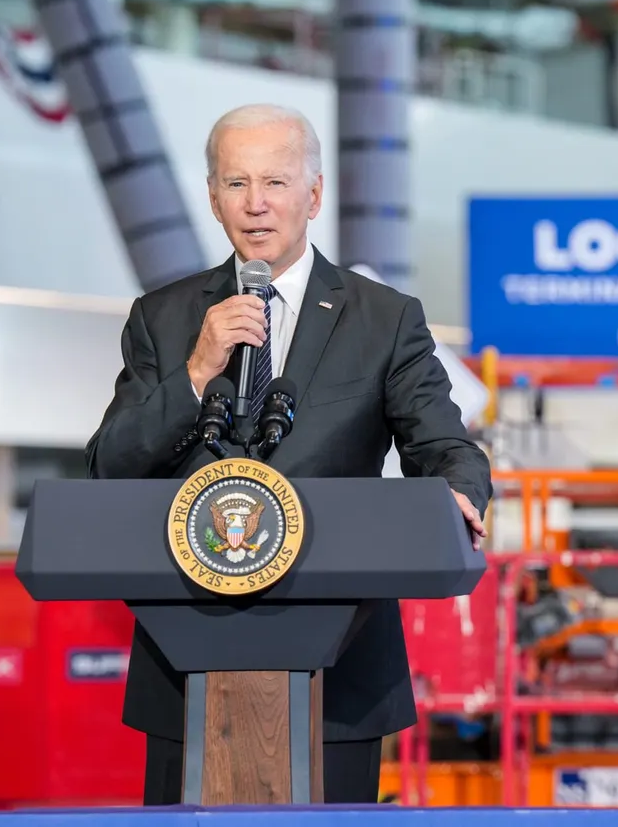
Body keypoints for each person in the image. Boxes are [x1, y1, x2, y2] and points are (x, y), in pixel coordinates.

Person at [85, 102, 492, 805]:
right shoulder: (164, 317)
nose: (256, 205)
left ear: (315, 193)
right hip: (189, 660)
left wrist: (458, 492)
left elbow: (444, 445)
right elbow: (109, 466)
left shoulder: (385, 318)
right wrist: (195, 372)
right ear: (211, 197)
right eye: (236, 183)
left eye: (275, 182)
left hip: (339, 661)